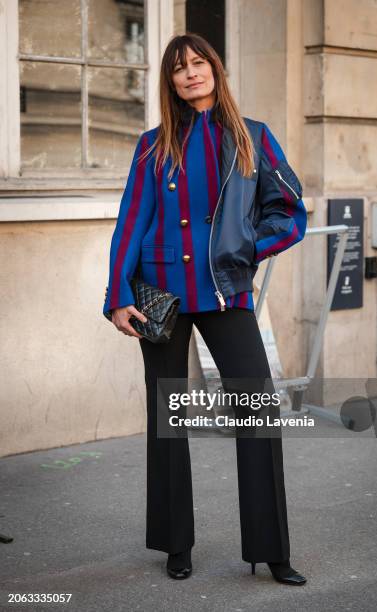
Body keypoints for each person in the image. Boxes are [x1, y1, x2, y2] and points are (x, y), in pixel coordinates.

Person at [103, 33, 307, 585]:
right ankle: (175, 543)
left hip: (224, 292)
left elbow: (289, 214)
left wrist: (244, 250)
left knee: (258, 415)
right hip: (160, 295)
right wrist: (118, 295)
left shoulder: (253, 138)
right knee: (168, 420)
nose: (190, 73)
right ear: (169, 82)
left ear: (215, 69)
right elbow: (131, 222)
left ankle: (272, 550)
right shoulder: (152, 145)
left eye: (198, 63)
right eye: (178, 69)